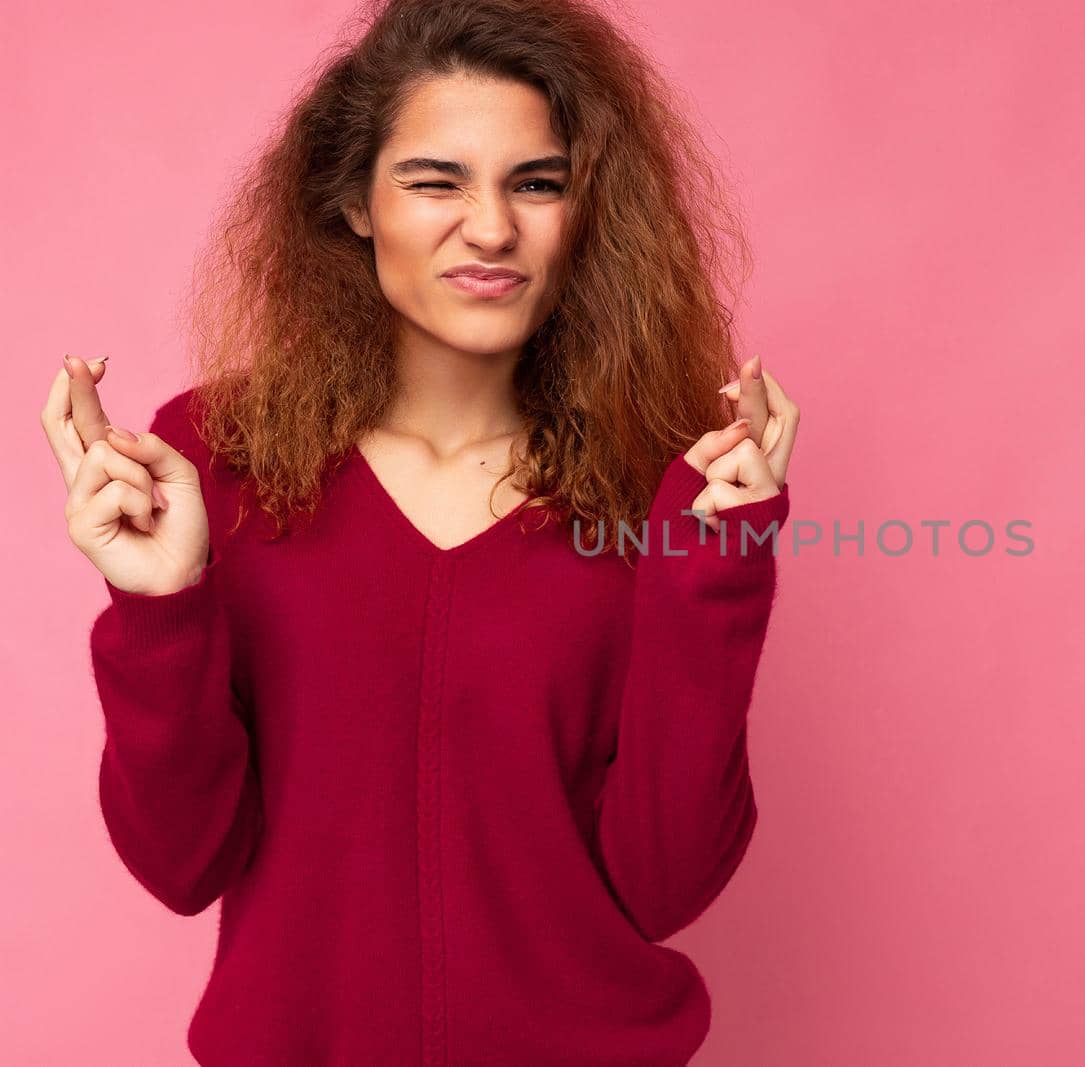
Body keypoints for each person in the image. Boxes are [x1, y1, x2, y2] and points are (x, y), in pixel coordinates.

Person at [38, 0, 800, 1063]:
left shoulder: (660, 482)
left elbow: (665, 882)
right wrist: (159, 605)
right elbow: (182, 860)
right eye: (435, 180)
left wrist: (715, 568)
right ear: (352, 201)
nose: (490, 228)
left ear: (587, 211)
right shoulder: (223, 457)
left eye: (536, 183)